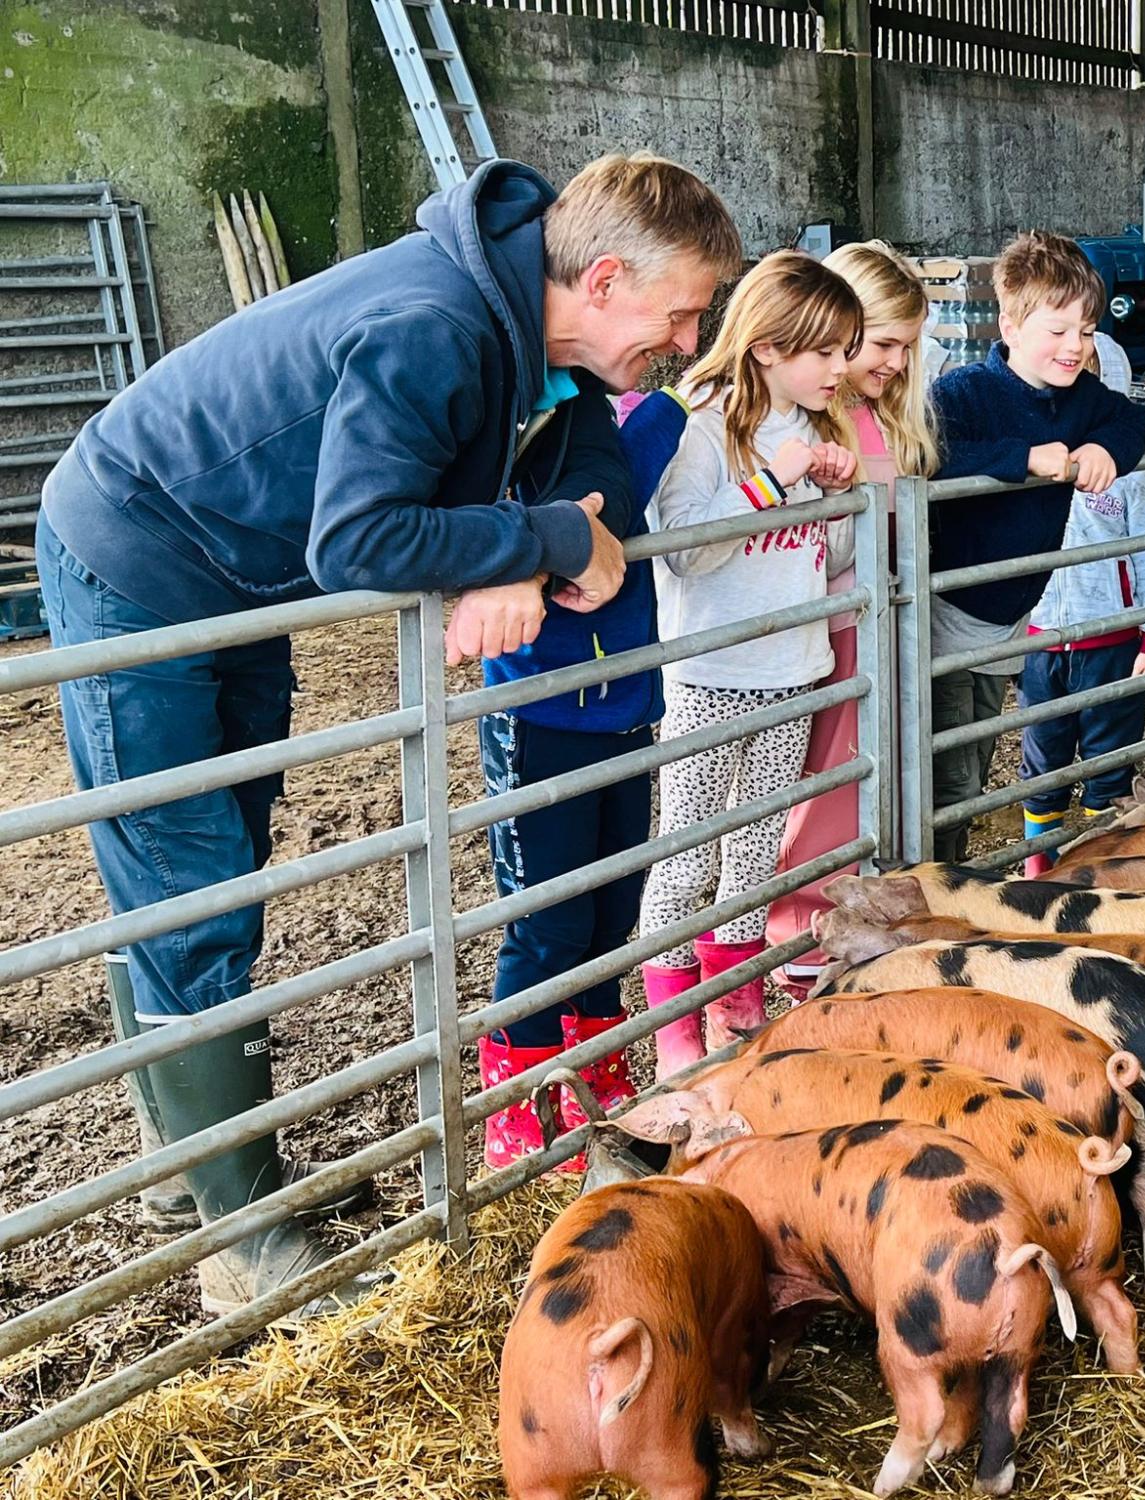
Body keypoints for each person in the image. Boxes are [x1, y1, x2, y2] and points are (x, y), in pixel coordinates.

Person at [34, 153, 737, 1315]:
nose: (688, 335)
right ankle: (237, 1240)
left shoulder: (529, 329)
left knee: (218, 855)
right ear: (604, 279)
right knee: (190, 883)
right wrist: (536, 545)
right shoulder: (436, 327)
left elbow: (594, 454)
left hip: (234, 574)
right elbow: (358, 541)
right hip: (139, 556)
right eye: (682, 311)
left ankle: (184, 1179)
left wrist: (546, 526)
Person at [473, 379, 710, 1170]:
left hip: (621, 710)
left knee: (612, 915)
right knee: (548, 926)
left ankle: (596, 1092)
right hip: (539, 714)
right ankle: (522, 1114)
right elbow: (614, 492)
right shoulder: (527, 432)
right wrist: (667, 408)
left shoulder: (609, 417)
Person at [636, 252, 862, 1073]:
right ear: (766, 346)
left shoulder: (814, 425)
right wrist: (775, 481)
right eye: (827, 352)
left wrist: (837, 493)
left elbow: (825, 551)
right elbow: (687, 550)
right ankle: (673, 1029)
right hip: (711, 677)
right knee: (688, 850)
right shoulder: (702, 422)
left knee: (757, 847)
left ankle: (735, 1005)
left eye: (847, 351)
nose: (843, 369)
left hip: (794, 665)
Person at [927, 230, 1145, 862]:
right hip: (948, 613)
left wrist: (1106, 449)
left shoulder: (1080, 399)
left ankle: (943, 874)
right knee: (953, 774)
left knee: (975, 754)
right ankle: (933, 883)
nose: (1075, 346)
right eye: (1057, 331)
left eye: (1085, 329)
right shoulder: (963, 394)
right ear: (1011, 324)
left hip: (1010, 617)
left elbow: (1134, 418)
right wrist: (1023, 459)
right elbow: (933, 457)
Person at [764, 240, 940, 998]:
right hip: (832, 625)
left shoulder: (873, 416)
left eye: (907, 347)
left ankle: (853, 912)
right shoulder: (813, 423)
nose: (897, 361)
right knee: (825, 785)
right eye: (885, 343)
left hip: (877, 622)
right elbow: (814, 536)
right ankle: (800, 932)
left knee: (870, 774)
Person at [1016, 334, 1145, 877]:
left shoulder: (1133, 476)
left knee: (1110, 755)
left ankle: (1100, 866)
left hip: (1113, 639)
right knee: (1042, 754)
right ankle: (1040, 866)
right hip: (1041, 636)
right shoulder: (1034, 459)